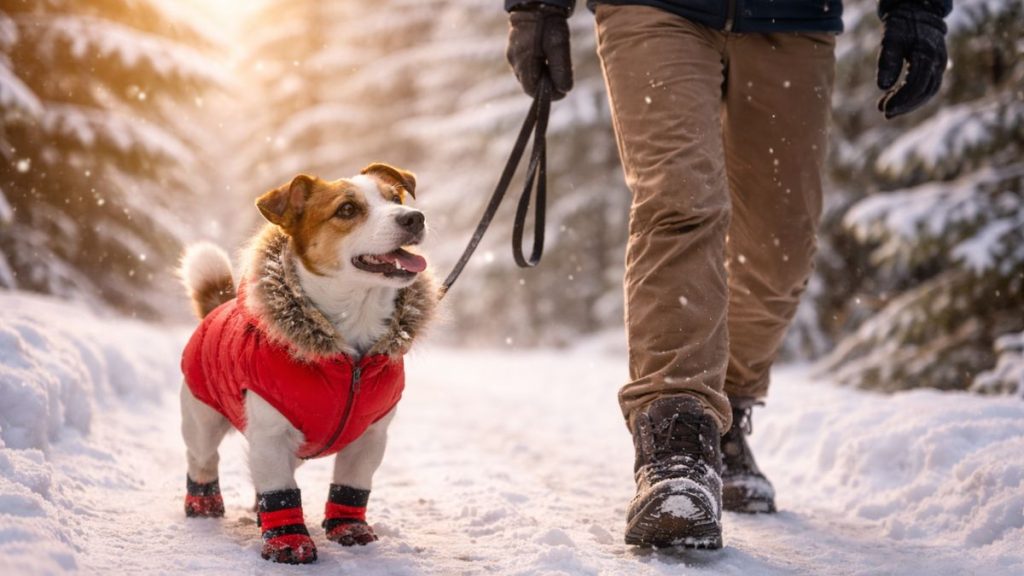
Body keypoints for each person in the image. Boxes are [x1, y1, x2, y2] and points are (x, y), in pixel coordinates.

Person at [504, 0, 951, 549]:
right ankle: (677, 436)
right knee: (680, 202)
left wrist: (919, 9)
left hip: (794, 16)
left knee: (780, 247)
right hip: (652, 9)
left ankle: (727, 412)